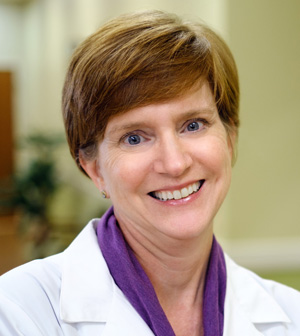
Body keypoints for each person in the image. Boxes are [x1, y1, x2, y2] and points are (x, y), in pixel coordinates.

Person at [0, 10, 299, 336]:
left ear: (230, 139)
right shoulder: (19, 313)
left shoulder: (290, 315)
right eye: (135, 137)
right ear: (94, 169)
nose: (174, 163)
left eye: (193, 125)